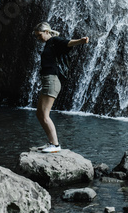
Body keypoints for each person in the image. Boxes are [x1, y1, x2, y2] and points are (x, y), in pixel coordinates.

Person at [33, 21, 89, 153]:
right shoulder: (48, 44)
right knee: (39, 114)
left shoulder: (54, 40)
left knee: (45, 115)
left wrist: (80, 41)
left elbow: (67, 43)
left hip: (51, 81)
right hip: (47, 80)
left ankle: (56, 145)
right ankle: (51, 142)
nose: (37, 38)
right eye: (36, 36)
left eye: (39, 35)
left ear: (47, 32)